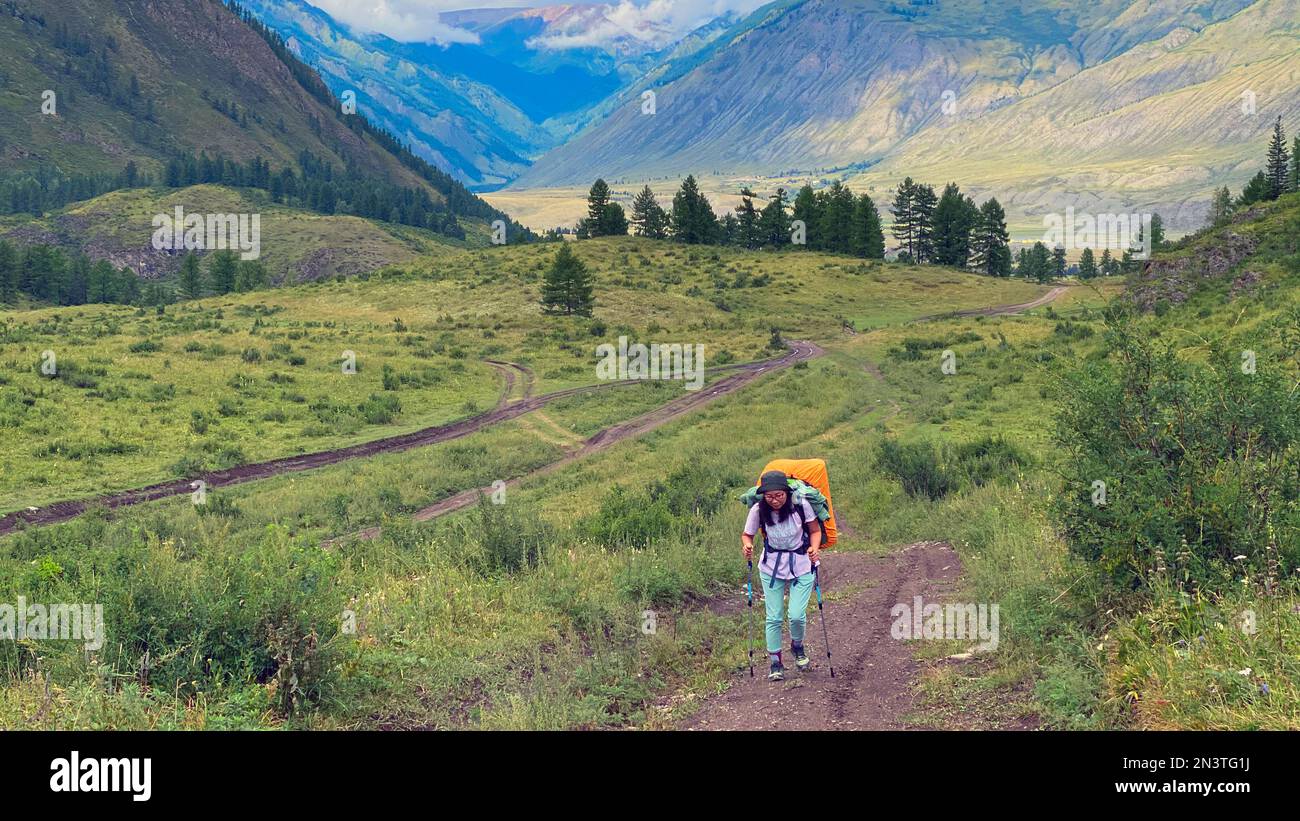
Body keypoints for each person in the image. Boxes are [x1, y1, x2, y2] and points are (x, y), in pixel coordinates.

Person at [741, 469, 822, 681]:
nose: (775, 500)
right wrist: (747, 545)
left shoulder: (800, 506)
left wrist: (814, 548)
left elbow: (814, 530)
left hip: (802, 563)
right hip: (771, 566)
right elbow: (747, 534)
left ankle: (797, 646)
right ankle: (775, 663)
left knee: (796, 615)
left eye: (779, 495)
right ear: (763, 496)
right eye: (769, 496)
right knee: (774, 617)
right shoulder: (759, 509)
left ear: (786, 493)